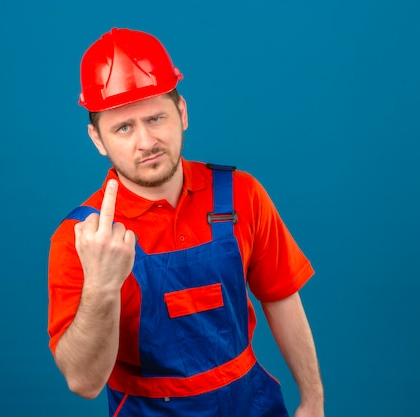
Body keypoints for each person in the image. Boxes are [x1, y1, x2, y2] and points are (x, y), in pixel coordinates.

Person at [47, 27, 324, 417]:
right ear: (97, 139)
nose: (146, 142)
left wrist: (313, 399)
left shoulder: (241, 194)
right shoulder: (81, 238)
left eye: (156, 117)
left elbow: (280, 296)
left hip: (250, 403)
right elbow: (84, 383)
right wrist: (101, 286)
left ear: (182, 113)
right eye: (123, 128)